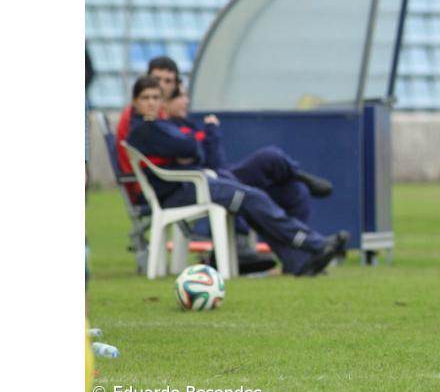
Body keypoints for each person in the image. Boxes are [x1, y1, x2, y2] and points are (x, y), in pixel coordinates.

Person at [125, 76, 346, 276]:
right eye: (146, 98)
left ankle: (299, 260)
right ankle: (315, 244)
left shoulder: (160, 127)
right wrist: (190, 147)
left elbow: (194, 151)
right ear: (135, 102)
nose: (152, 102)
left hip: (192, 185)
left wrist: (189, 149)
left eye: (156, 97)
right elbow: (190, 148)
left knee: (256, 196)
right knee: (253, 197)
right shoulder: (144, 129)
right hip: (180, 192)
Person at [165, 85, 333, 225]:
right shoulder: (164, 130)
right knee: (266, 160)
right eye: (180, 96)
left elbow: (215, 162)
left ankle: (304, 255)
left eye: (186, 96)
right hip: (208, 183)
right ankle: (296, 175)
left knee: (297, 191)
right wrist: (212, 132)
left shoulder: (188, 126)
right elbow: (213, 163)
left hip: (221, 177)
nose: (186, 102)